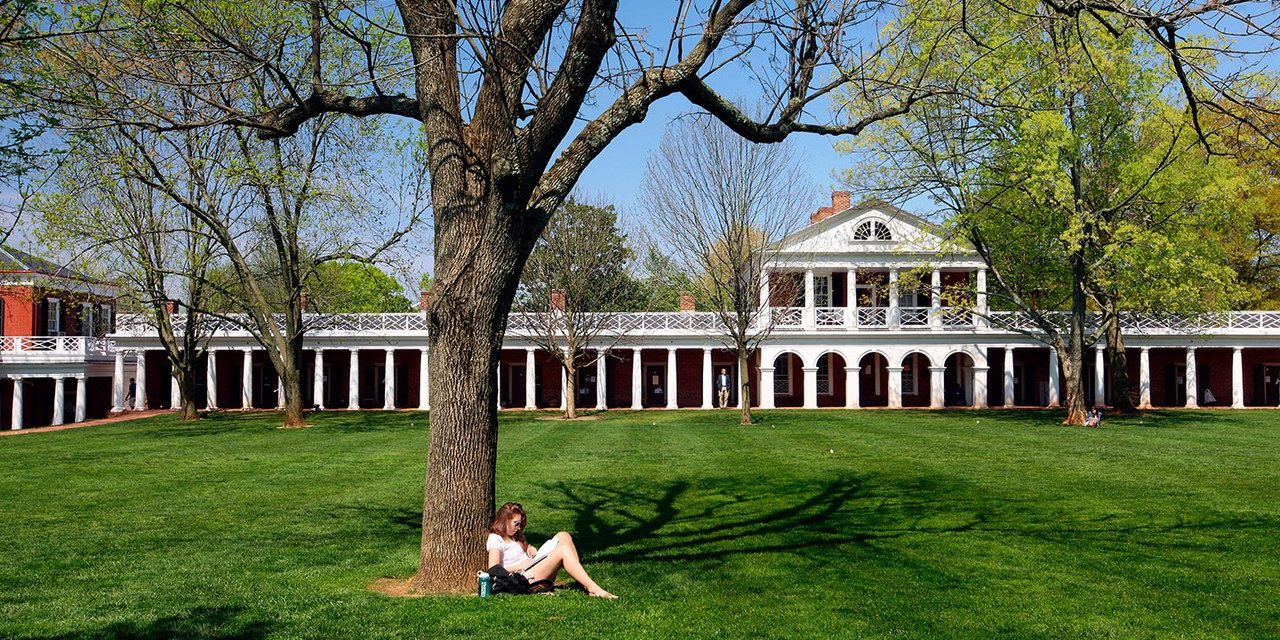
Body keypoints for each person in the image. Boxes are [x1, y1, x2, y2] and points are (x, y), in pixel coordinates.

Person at [485, 502, 617, 599]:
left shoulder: (515, 536)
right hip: (523, 578)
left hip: (533, 566)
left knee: (563, 535)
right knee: (563, 550)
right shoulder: (496, 539)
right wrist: (519, 566)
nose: (519, 528)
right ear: (505, 521)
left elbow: (521, 552)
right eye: (516, 523)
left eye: (520, 524)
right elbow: (494, 569)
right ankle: (593, 588)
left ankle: (582, 582)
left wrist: (530, 552)